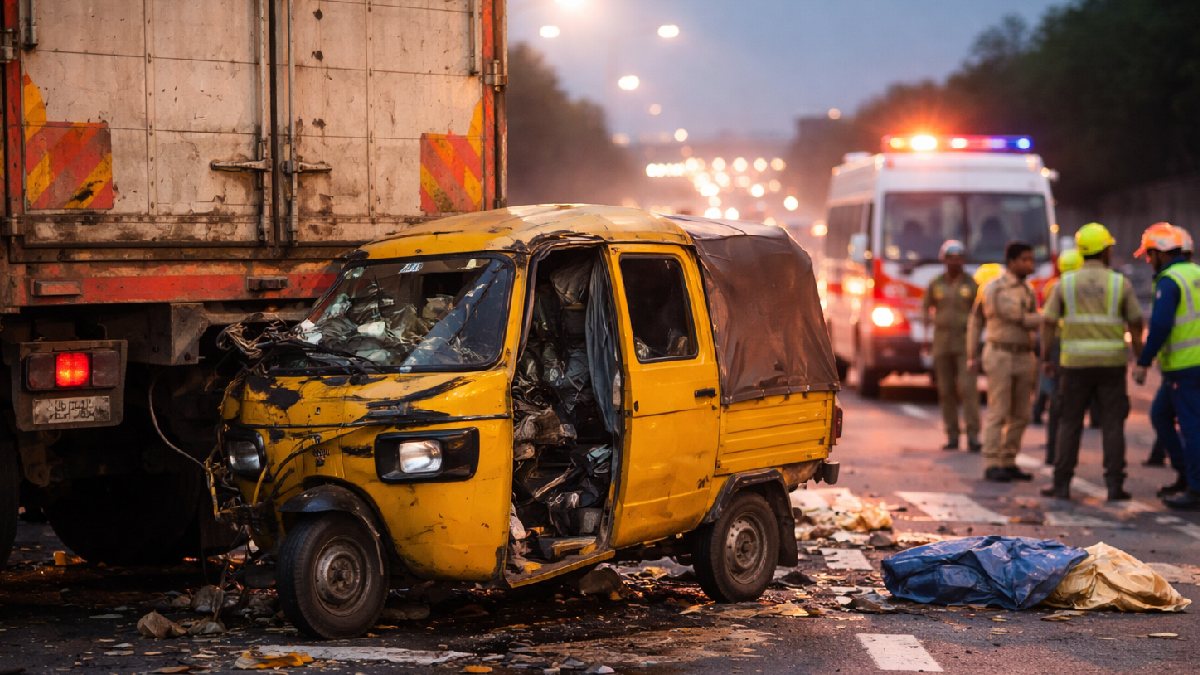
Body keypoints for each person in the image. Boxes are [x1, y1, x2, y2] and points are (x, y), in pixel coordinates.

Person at [1039, 223, 1143, 501]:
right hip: (1111, 364)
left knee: (1069, 422)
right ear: (1106, 250)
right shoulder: (1119, 283)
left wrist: (1046, 356)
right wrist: (1139, 355)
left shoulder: (1066, 283)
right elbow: (1135, 320)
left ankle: (1061, 485)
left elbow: (1048, 322)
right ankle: (1114, 485)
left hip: (1074, 365)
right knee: (1112, 423)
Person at [1131, 222, 1200, 510]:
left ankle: (1195, 488)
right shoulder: (1195, 273)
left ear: (1161, 253)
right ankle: (1186, 476)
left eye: (1149, 255)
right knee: (1161, 415)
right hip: (1189, 365)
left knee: (1191, 426)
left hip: (1185, 366)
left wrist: (1143, 361)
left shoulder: (1170, 281)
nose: (1148, 261)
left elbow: (1159, 325)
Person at [968, 241, 1041, 482]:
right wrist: (972, 354)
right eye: (1025, 260)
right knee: (998, 410)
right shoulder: (995, 288)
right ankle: (992, 462)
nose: (1030, 264)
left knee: (1021, 413)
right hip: (1000, 353)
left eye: (1031, 259)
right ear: (1012, 262)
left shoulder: (1027, 289)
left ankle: (1009, 460)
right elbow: (1011, 317)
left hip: (1024, 354)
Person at [923, 240, 981, 451]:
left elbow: (980, 314)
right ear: (944, 260)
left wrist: (979, 343)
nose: (955, 262)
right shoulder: (936, 283)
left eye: (958, 258)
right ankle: (952, 435)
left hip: (965, 344)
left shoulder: (971, 284)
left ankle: (973, 435)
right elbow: (926, 310)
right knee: (946, 391)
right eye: (951, 258)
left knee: (968, 390)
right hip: (942, 343)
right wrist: (926, 339)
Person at [1036, 248, 1084, 464]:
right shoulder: (1083, 287)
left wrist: (1045, 356)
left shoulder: (1052, 287)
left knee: (1056, 402)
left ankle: (1052, 455)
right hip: (1079, 347)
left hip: (1057, 347)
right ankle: (1064, 457)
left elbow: (1048, 321)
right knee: (1074, 408)